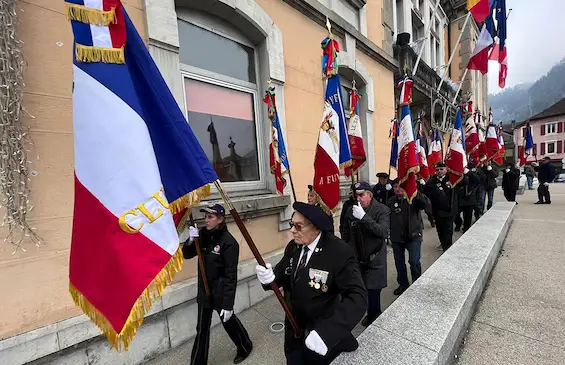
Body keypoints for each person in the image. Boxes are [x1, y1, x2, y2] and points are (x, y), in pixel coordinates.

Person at [255, 202, 367, 365]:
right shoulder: (294, 246)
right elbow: (282, 273)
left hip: (320, 332)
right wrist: (269, 278)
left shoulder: (339, 252)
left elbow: (358, 297)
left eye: (298, 226)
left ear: (316, 227)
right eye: (291, 224)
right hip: (294, 329)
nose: (292, 230)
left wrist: (328, 332)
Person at [183, 204, 253, 365]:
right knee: (201, 330)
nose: (206, 220)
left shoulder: (229, 243)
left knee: (229, 322)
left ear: (220, 219)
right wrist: (190, 240)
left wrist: (228, 305)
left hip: (220, 292)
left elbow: (230, 277)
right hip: (204, 291)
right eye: (205, 216)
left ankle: (245, 346)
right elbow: (187, 254)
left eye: (210, 217)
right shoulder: (202, 235)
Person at [341, 181, 390, 326]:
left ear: (370, 195)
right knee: (358, 290)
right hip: (356, 258)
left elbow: (383, 232)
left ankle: (374, 316)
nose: (358, 198)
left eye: (361, 195)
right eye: (356, 195)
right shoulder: (352, 209)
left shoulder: (382, 210)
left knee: (373, 292)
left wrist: (363, 218)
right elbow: (345, 230)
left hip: (374, 259)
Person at [387, 179, 427, 296]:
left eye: (400, 186)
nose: (397, 189)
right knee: (399, 263)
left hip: (414, 236)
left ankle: (416, 283)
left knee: (414, 261)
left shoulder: (414, 198)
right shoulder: (390, 201)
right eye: (395, 187)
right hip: (397, 237)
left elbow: (425, 205)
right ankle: (403, 284)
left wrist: (415, 190)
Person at [424, 163, 458, 251]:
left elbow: (466, 182)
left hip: (449, 209)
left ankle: (447, 247)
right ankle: (443, 243)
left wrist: (465, 173)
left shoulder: (452, 178)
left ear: (446, 169)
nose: (439, 171)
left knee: (448, 230)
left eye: (441, 169)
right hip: (437, 210)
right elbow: (426, 193)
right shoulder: (432, 181)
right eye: (437, 170)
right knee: (440, 230)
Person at [454, 164, 480, 233]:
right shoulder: (454, 172)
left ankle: (466, 228)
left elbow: (477, 179)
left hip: (469, 197)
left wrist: (468, 173)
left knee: (468, 215)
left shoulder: (470, 172)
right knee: (455, 214)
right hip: (458, 197)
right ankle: (458, 224)